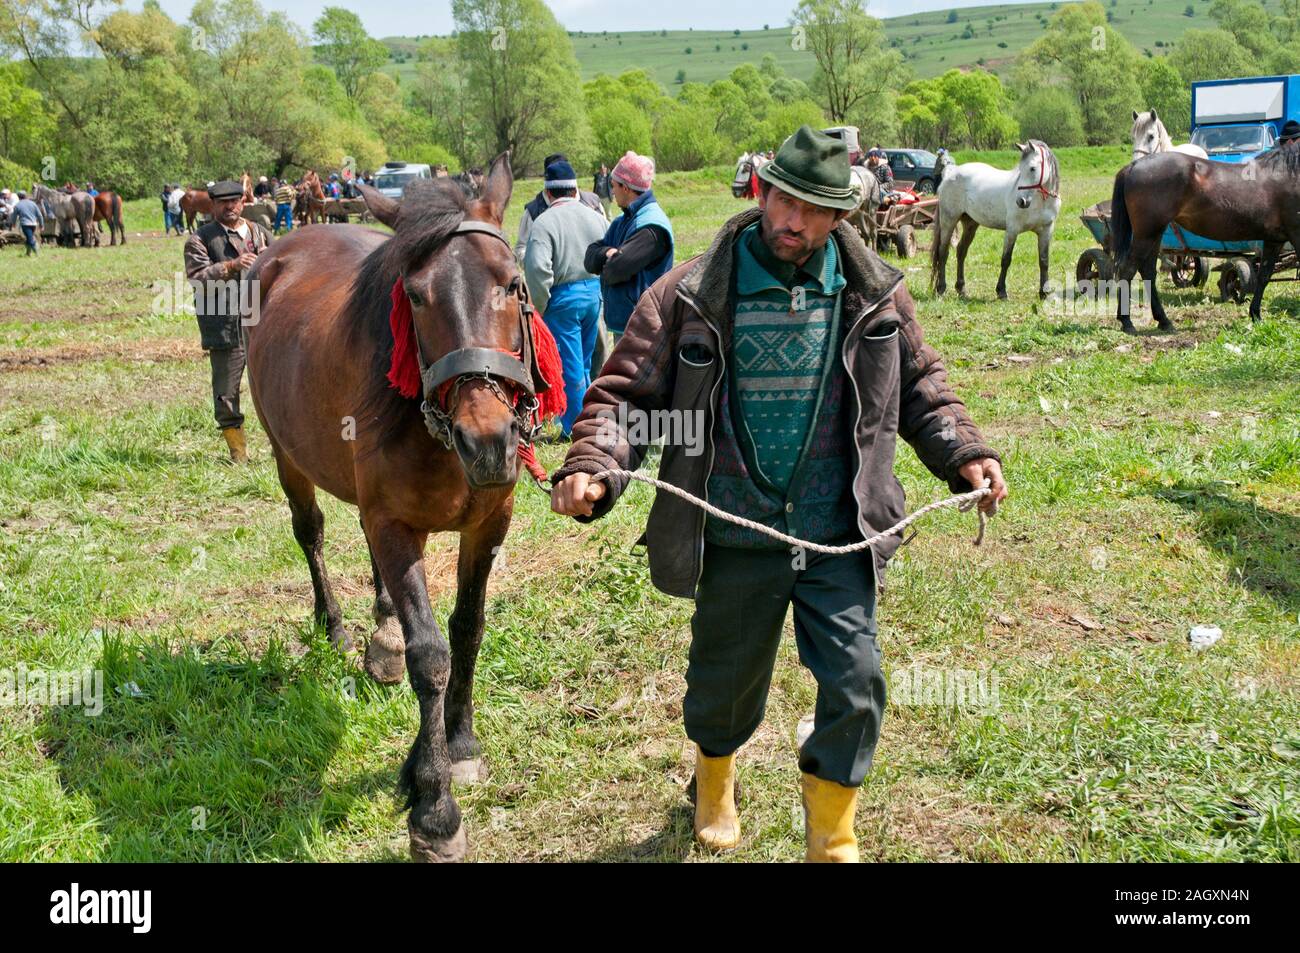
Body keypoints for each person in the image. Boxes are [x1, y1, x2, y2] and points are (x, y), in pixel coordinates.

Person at [550, 126, 1007, 863]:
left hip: (837, 528)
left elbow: (923, 387)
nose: (791, 220)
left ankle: (831, 823)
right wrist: (595, 461)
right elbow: (627, 393)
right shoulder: (692, 293)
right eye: (781, 199)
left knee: (857, 682)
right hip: (735, 528)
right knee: (723, 682)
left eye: (812, 209)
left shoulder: (876, 295)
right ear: (762, 190)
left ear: (841, 215)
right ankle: (715, 779)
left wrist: (966, 452)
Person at [183, 179, 271, 463]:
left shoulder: (260, 233)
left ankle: (281, 448)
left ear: (243, 202)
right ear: (213, 206)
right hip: (225, 325)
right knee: (226, 391)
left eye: (234, 201)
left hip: (264, 325)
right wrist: (231, 266)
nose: (229, 207)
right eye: (223, 203)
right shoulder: (201, 238)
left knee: (273, 387)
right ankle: (238, 453)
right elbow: (197, 278)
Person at [523, 159, 610, 436]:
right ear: (575, 190)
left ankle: (575, 426)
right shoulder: (596, 216)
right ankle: (590, 414)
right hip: (593, 293)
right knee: (584, 362)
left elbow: (537, 269)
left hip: (562, 299)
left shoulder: (544, 222)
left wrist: (541, 304)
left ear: (548, 193)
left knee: (569, 368)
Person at [583, 150, 674, 344]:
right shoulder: (623, 220)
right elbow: (589, 258)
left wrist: (608, 260)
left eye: (613, 185)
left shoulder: (651, 226)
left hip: (644, 329)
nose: (611, 191)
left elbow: (614, 271)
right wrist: (608, 252)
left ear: (626, 188)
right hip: (628, 326)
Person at [10, 190, 44, 256]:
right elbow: (39, 215)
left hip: (25, 224)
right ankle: (28, 253)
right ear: (26, 196)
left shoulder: (17, 205)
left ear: (18, 197)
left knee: (30, 239)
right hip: (34, 224)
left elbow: (14, 216)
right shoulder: (33, 203)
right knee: (29, 238)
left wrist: (13, 224)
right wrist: (42, 225)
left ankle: (37, 253)